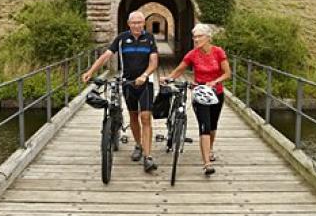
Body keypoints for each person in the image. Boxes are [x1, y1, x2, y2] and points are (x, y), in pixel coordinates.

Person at [82, 11, 159, 172]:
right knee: (133, 115)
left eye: (140, 22)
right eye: (134, 23)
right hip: (127, 82)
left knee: (145, 117)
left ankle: (148, 156)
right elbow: (106, 56)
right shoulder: (122, 38)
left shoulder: (149, 38)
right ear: (129, 24)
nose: (137, 25)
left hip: (146, 82)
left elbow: (154, 62)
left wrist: (145, 75)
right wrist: (91, 71)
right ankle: (138, 144)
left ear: (144, 23)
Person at [160, 23, 230, 175]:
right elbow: (179, 70)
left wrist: (216, 81)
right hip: (199, 93)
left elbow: (227, 73)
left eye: (199, 36)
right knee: (204, 127)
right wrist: (168, 78)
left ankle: (210, 148)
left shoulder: (218, 52)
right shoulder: (192, 54)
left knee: (212, 126)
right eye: (194, 37)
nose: (196, 39)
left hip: (216, 93)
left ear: (208, 37)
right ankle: (206, 163)